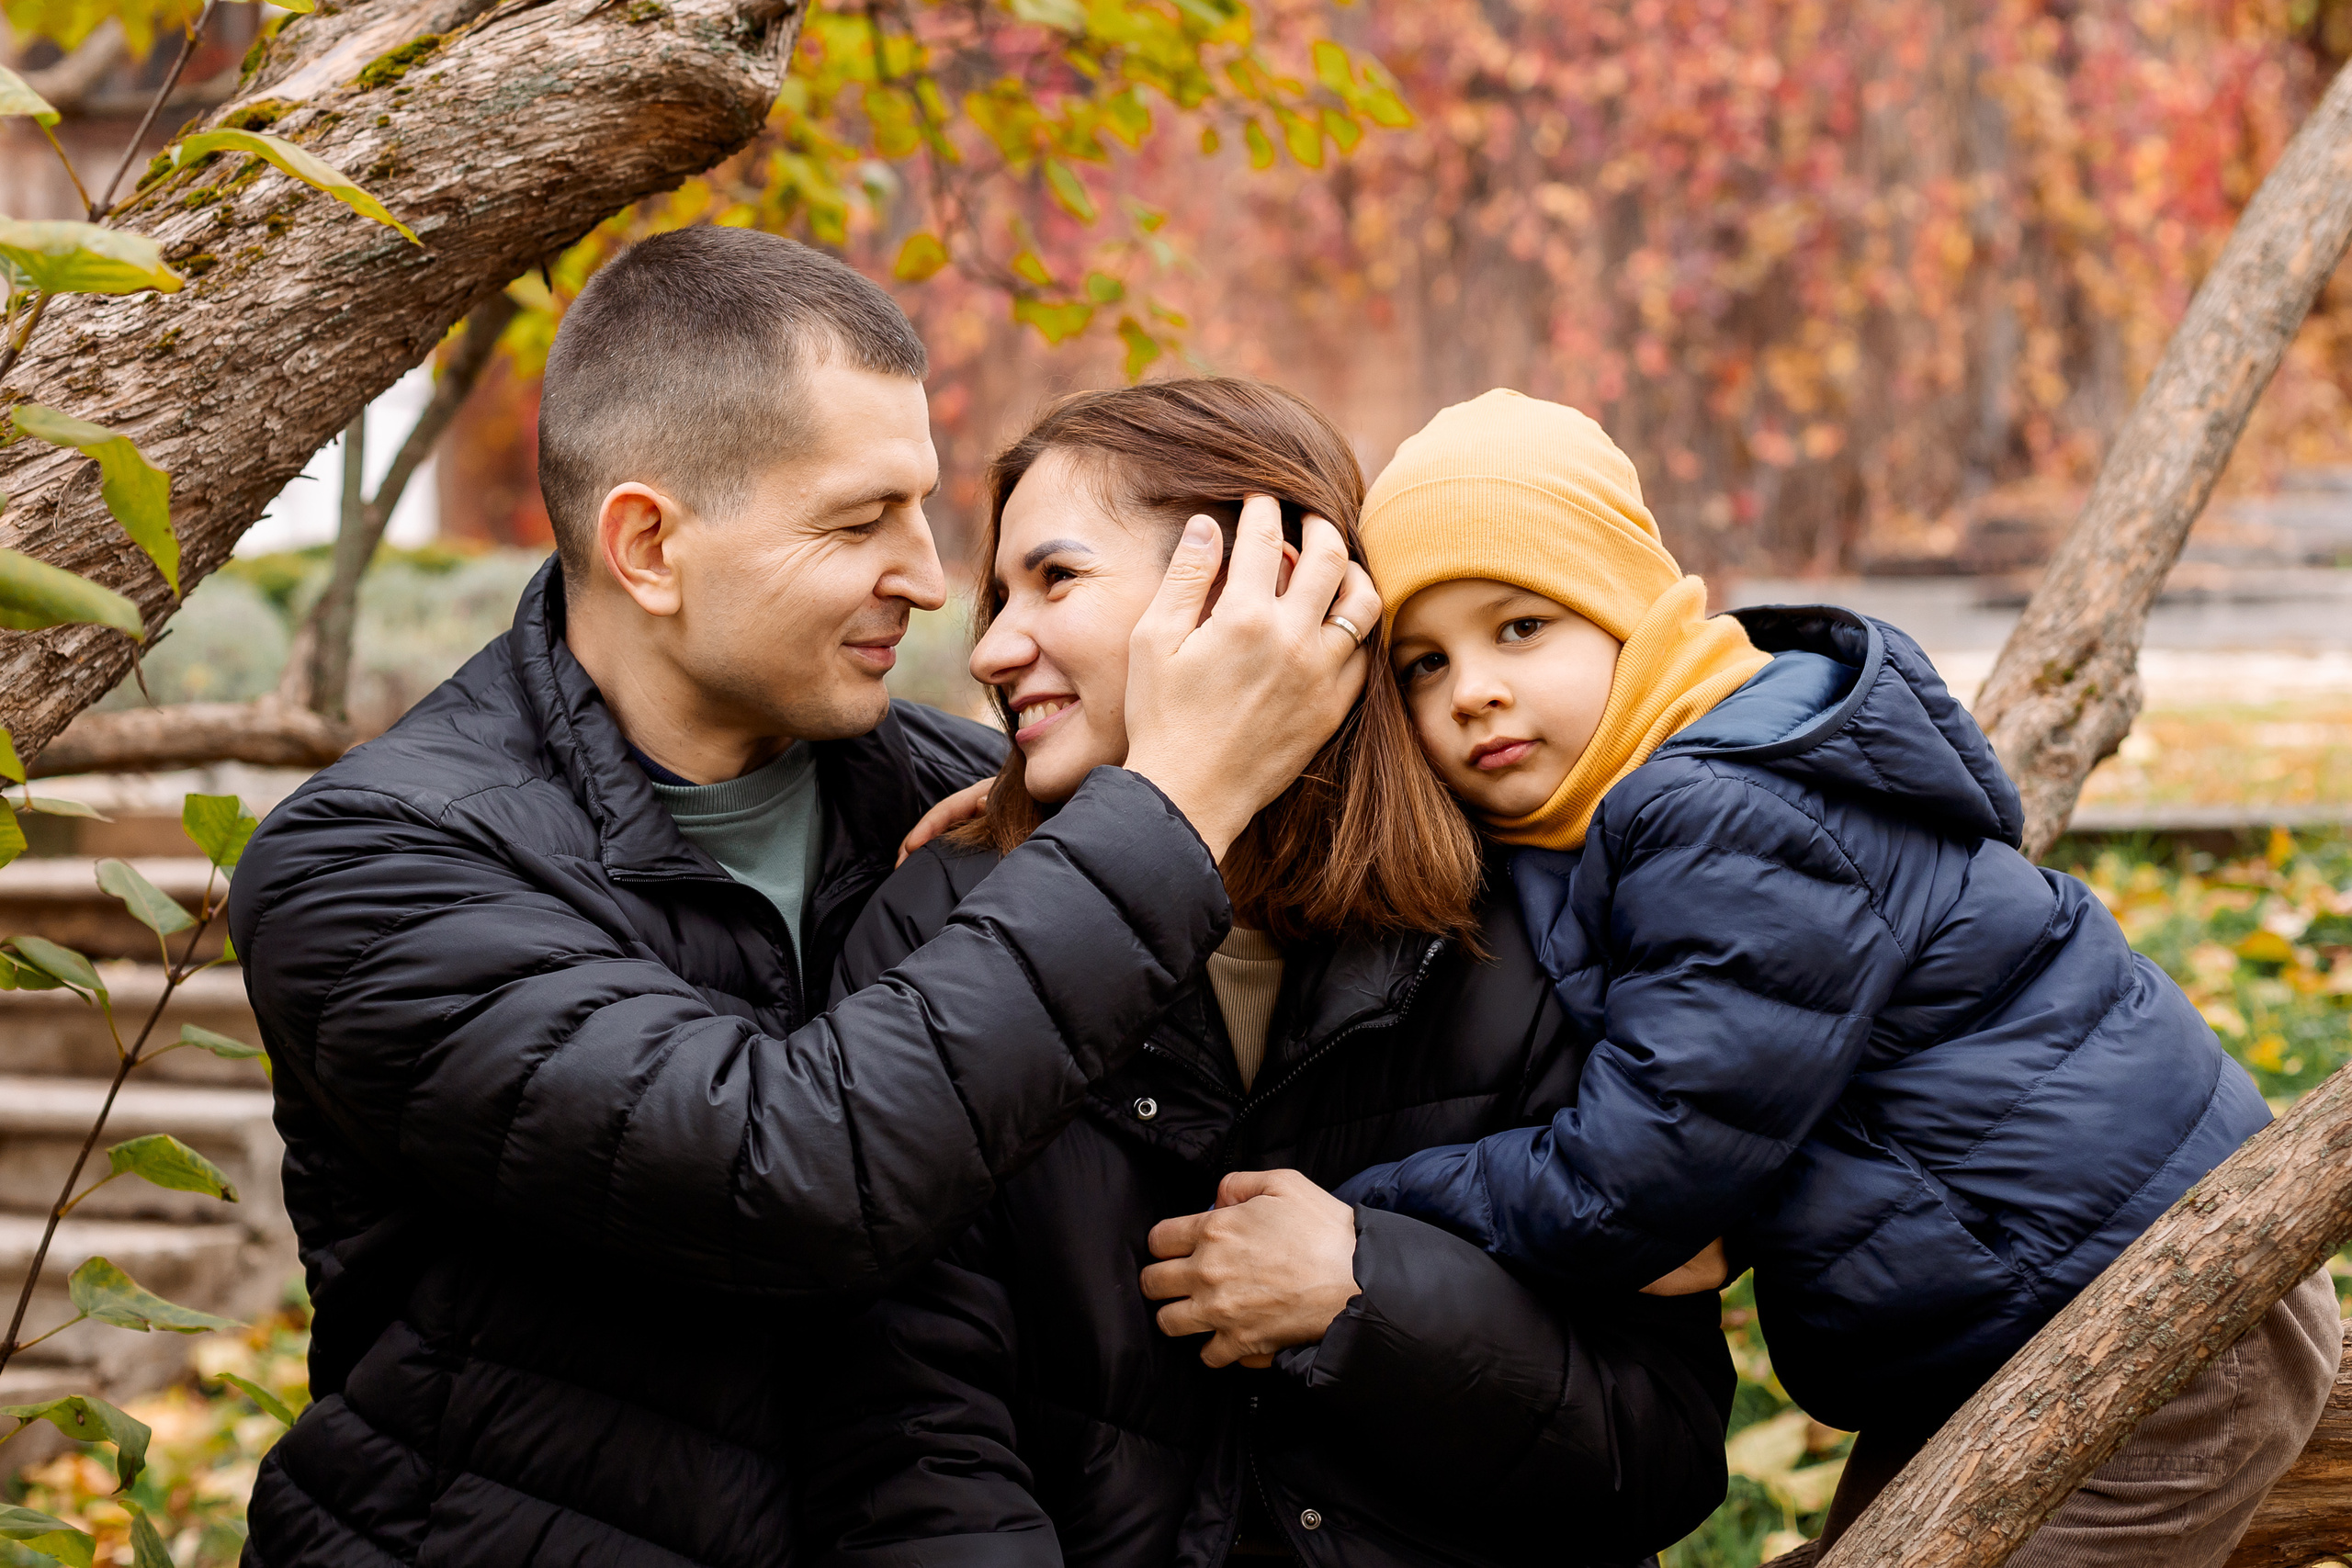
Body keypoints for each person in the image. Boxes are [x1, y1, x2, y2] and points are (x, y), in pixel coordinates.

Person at [225, 231, 1383, 1568]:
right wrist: (1170, 799)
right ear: (649, 545)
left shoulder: (975, 812)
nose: (932, 580)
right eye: (857, 520)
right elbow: (783, 1171)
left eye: (922, 507)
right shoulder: (372, 865)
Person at [1331, 389, 2341, 1564]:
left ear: (1628, 616)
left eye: (1519, 628)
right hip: (2016, 1313)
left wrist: (1366, 1219)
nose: (1470, 690)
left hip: (2159, 1318)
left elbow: (1641, 1174)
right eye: (1422, 664)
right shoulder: (1666, 794)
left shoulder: (1719, 814)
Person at [800, 378, 1736, 1568]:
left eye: (1056, 578)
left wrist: (1368, 1300)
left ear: (1267, 584)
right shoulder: (940, 927)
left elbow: (1659, 1453)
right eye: (999, 597)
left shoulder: (1528, 926)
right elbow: (908, 1443)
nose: (990, 647)